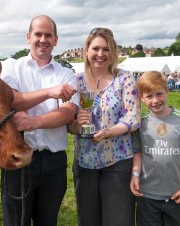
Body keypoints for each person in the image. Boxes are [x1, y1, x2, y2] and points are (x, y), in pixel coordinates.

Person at [0, 15, 78, 226]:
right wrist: (51, 92)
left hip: (53, 162)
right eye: (38, 34)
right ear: (28, 37)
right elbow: (13, 101)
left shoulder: (67, 74)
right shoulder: (11, 67)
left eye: (48, 35)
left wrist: (34, 122)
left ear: (56, 40)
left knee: (48, 222)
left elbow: (68, 113)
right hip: (17, 160)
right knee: (16, 222)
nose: (43, 39)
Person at [67, 27, 140, 226]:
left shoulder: (124, 78)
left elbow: (133, 117)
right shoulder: (76, 81)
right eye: (96, 48)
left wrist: (109, 132)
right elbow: (68, 124)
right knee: (88, 220)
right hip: (84, 162)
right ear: (87, 51)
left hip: (118, 162)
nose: (101, 54)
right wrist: (76, 124)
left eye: (106, 49)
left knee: (119, 220)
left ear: (113, 52)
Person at [130, 71, 180, 226]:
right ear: (141, 98)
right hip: (146, 194)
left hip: (175, 194)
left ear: (167, 92)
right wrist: (135, 175)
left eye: (159, 94)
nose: (155, 100)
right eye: (149, 96)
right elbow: (138, 151)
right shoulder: (140, 122)